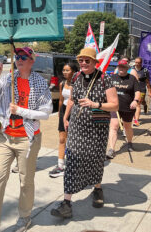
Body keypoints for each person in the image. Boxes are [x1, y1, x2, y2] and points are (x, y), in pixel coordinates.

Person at [0, 46, 52, 232]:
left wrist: (21, 111)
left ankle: (25, 217)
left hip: (27, 140)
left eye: (23, 56)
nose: (19, 59)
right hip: (5, 138)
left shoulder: (39, 81)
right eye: (16, 56)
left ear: (32, 60)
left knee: (26, 181)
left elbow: (46, 112)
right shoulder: (7, 78)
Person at [50, 47, 118, 219]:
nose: (84, 63)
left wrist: (96, 104)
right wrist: (65, 117)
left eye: (88, 60)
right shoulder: (75, 77)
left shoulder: (105, 78)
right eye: (81, 60)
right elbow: (72, 99)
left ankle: (97, 188)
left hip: (98, 127)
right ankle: (66, 203)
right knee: (72, 160)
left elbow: (115, 105)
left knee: (95, 160)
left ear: (95, 62)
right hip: (77, 126)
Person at [106, 59, 140, 159]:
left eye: (123, 67)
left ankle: (129, 143)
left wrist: (135, 101)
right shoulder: (112, 77)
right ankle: (111, 149)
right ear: (118, 67)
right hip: (115, 107)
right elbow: (106, 90)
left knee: (127, 127)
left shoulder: (132, 78)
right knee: (114, 126)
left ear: (127, 68)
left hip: (128, 107)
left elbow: (137, 92)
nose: (121, 69)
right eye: (120, 67)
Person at [49, 63, 78, 178]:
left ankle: (74, 165)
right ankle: (60, 165)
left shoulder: (77, 85)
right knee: (62, 138)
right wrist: (60, 114)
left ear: (74, 71)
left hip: (74, 113)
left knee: (73, 139)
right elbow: (61, 99)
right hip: (63, 112)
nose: (65, 72)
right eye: (64, 70)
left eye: (68, 70)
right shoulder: (62, 83)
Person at [132, 57, 151, 126]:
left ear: (141, 63)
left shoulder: (145, 71)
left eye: (138, 63)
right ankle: (145, 104)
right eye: (136, 62)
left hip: (141, 89)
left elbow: (147, 82)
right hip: (132, 89)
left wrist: (149, 91)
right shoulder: (131, 69)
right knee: (140, 102)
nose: (137, 64)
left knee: (138, 104)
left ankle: (136, 120)